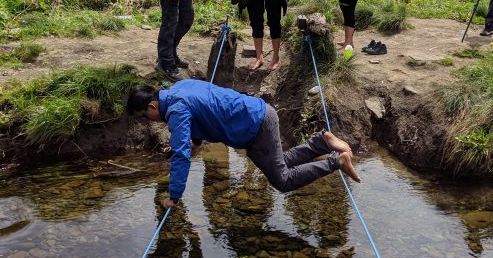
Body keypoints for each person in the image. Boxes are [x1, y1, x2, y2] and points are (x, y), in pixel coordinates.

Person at [126, 80, 360, 208]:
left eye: (144, 117)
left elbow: (180, 155)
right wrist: (197, 141)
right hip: (254, 120)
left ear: (152, 107)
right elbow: (201, 113)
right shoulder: (179, 88)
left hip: (256, 125)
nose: (148, 121)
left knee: (283, 180)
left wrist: (174, 196)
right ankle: (321, 142)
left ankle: (337, 161)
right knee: (278, 164)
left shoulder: (176, 110)